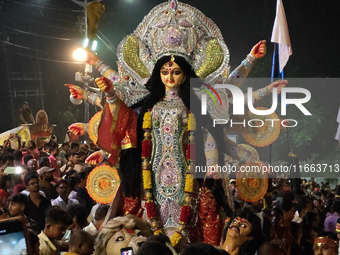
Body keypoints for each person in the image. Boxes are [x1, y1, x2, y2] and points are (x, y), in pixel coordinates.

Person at [66, 0, 287, 247]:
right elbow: (121, 108)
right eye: (165, 72)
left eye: (176, 72)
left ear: (185, 74)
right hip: (151, 182)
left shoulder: (196, 101)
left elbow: (231, 95)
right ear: (158, 74)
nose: (170, 77)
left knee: (194, 231)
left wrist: (252, 64)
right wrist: (94, 93)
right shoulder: (148, 103)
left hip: (188, 184)